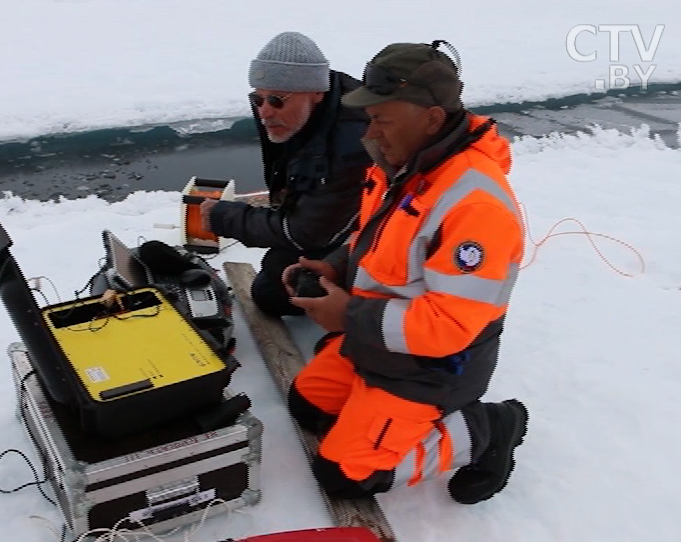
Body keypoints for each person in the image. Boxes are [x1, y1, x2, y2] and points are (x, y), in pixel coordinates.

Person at [282, 40, 529, 504]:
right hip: (374, 342)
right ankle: (369, 408)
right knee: (306, 405)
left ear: (432, 118)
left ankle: (488, 428)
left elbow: (448, 327)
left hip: (429, 368)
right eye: (369, 116)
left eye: (382, 118)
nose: (369, 130)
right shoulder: (402, 163)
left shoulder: (475, 204)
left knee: (343, 478)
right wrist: (334, 267)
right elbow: (377, 240)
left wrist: (347, 315)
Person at [200, 31, 372, 318]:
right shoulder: (302, 110)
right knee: (276, 272)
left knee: (274, 293)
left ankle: (363, 296)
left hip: (372, 231)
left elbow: (307, 233)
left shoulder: (350, 144)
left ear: (317, 92)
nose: (265, 111)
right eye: (258, 99)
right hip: (333, 214)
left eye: (278, 100)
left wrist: (227, 218)